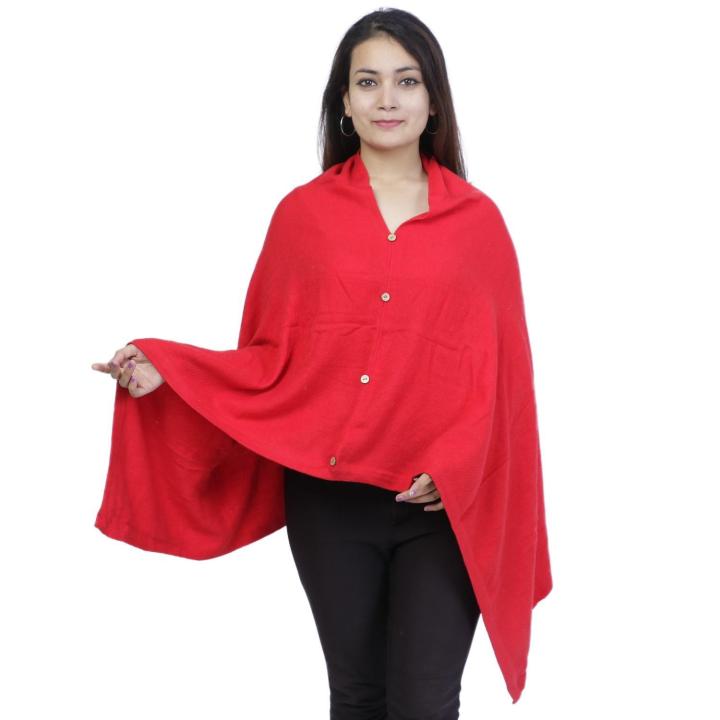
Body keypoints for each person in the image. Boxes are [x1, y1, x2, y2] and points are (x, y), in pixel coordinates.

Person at [92, 9, 549, 718]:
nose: (387, 99)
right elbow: (267, 364)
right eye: (368, 82)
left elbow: (503, 381)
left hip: (443, 506)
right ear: (344, 100)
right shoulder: (302, 216)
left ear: (434, 100)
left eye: (407, 81)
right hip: (330, 502)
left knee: (426, 702)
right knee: (358, 696)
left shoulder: (478, 223)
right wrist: (170, 372)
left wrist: (457, 466)